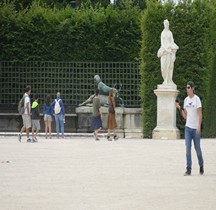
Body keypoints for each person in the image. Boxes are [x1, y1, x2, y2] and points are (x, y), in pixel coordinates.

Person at [176, 81, 204, 176]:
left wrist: (199, 126)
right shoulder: (186, 100)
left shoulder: (197, 99)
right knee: (188, 149)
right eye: (186, 88)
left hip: (196, 128)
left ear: (192, 88)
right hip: (188, 128)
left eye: (188, 87)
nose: (187, 89)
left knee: (197, 149)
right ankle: (188, 169)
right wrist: (179, 108)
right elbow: (185, 116)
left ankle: (201, 165)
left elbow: (200, 114)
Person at [157, 19, 179, 85]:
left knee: (169, 66)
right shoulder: (162, 33)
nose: (167, 25)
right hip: (164, 50)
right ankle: (165, 80)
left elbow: (172, 41)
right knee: (163, 67)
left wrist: (172, 51)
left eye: (168, 24)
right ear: (164, 25)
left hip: (169, 51)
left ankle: (168, 80)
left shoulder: (170, 33)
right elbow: (162, 43)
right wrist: (166, 49)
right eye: (166, 24)